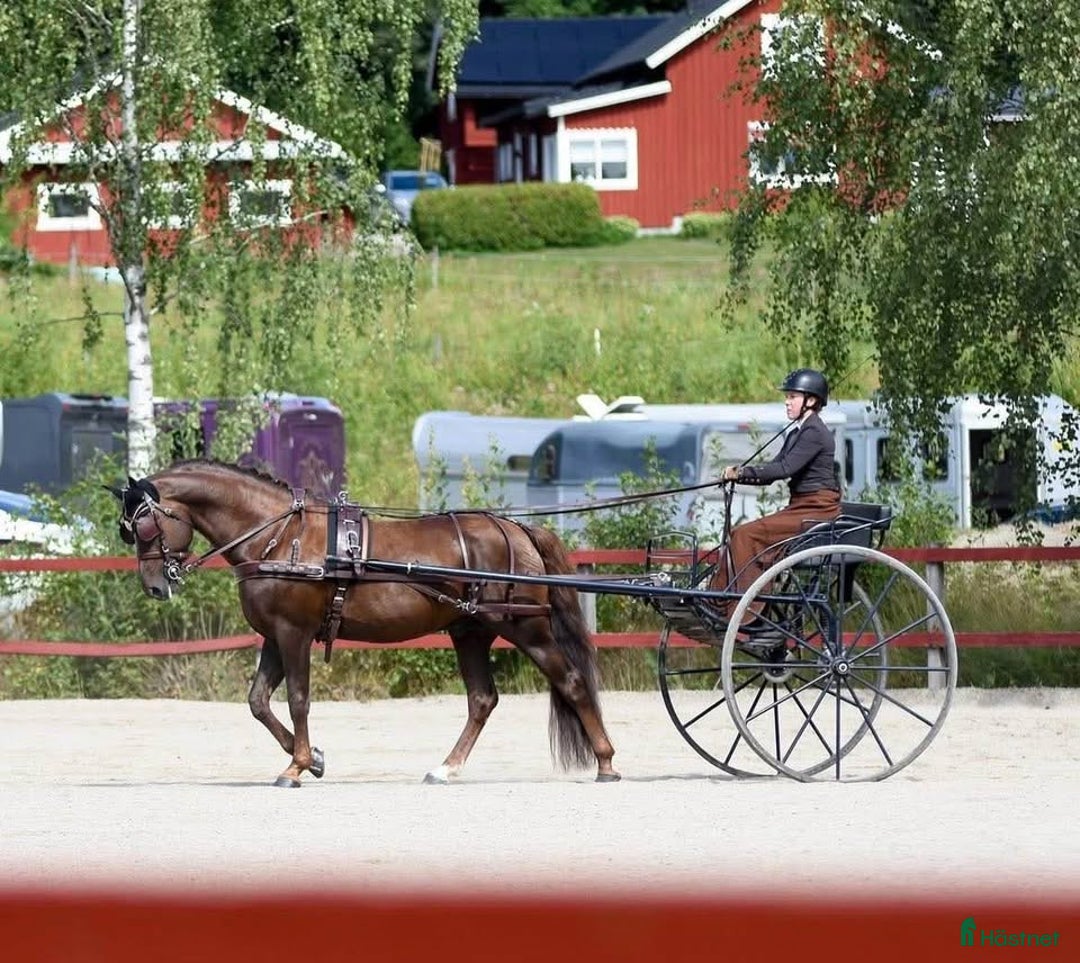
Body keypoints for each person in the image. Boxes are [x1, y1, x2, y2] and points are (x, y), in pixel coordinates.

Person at [713, 368, 841, 619]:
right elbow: (773, 471)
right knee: (738, 534)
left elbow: (784, 469)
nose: (787, 401)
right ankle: (720, 600)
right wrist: (740, 475)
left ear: (811, 400)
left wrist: (741, 472)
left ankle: (744, 611)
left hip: (817, 508)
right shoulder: (797, 432)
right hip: (801, 506)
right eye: (787, 396)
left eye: (792, 396)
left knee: (745, 534)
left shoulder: (815, 432)